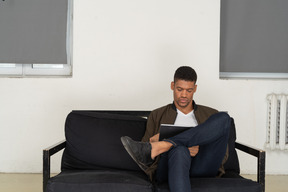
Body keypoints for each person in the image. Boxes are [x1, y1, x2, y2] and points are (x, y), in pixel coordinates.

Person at [121, 66, 231, 192]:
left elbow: (223, 154)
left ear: (195, 88)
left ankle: (166, 144)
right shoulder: (157, 114)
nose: (184, 95)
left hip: (202, 165)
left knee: (224, 118)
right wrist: (178, 146)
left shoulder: (210, 114)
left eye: (189, 90)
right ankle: (171, 145)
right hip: (170, 165)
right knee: (179, 150)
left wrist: (196, 149)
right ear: (172, 86)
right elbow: (145, 154)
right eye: (179, 89)